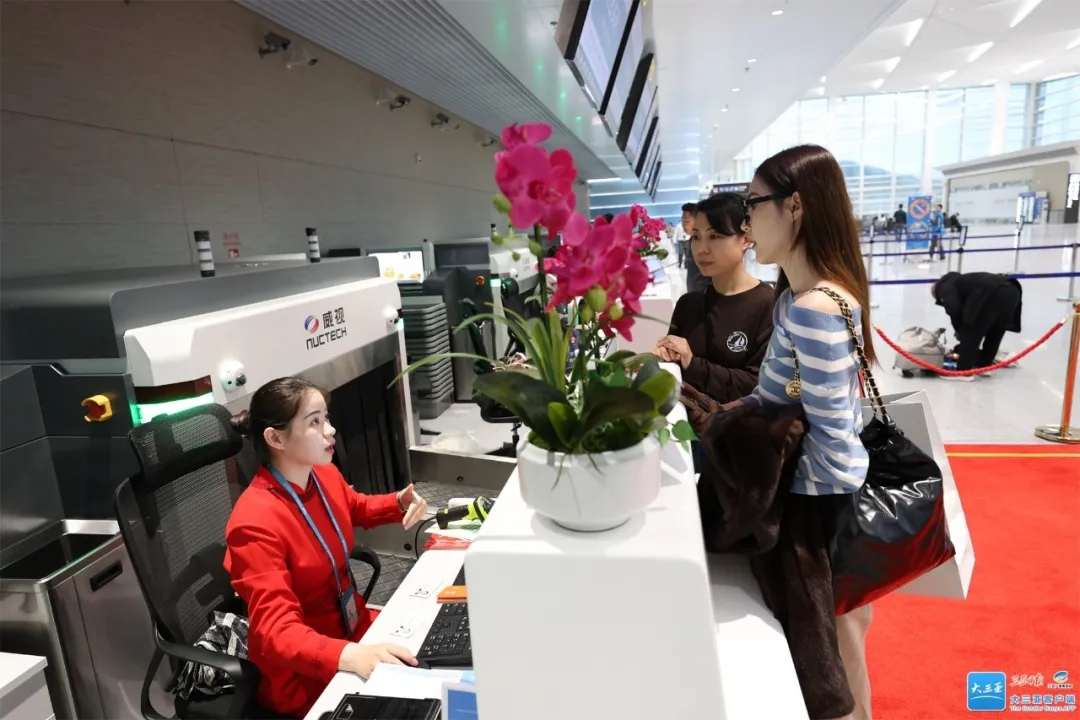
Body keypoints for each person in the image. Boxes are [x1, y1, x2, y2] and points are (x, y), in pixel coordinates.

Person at [686, 145, 877, 720]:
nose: (747, 222)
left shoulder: (815, 306)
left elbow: (833, 437)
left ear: (794, 206)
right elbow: (775, 395)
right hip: (818, 503)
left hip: (821, 509)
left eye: (753, 204)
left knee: (834, 665)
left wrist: (781, 510)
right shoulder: (796, 298)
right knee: (836, 651)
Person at [225, 377, 430, 718]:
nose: (331, 430)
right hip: (305, 671)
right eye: (315, 422)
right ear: (276, 438)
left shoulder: (322, 474)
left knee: (431, 657)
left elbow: (355, 507)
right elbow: (276, 631)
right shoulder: (253, 522)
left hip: (353, 629)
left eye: (327, 418)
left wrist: (398, 502)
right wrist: (350, 656)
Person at [654, 192, 774, 403]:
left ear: (746, 238)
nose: (701, 249)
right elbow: (672, 372)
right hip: (685, 420)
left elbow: (758, 385)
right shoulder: (688, 305)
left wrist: (693, 364)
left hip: (741, 422)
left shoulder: (769, 305)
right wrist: (664, 356)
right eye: (696, 237)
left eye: (715, 236)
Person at [932, 271, 1022, 380]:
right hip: (1012, 291)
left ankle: (963, 371)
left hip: (991, 294)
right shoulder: (961, 281)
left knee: (971, 331)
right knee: (995, 333)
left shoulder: (944, 286)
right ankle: (984, 366)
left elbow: (954, 309)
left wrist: (960, 329)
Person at [679, 202, 711, 293]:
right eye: (682, 221)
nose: (683, 225)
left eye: (686, 221)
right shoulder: (692, 240)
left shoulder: (706, 243)